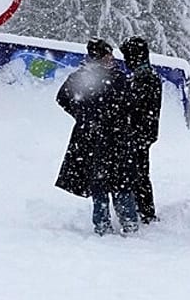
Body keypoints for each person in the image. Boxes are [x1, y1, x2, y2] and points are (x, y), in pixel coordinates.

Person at [55, 39, 139, 236]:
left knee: (101, 182)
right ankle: (125, 222)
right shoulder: (116, 78)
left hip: (94, 138)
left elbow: (63, 98)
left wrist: (82, 116)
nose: (111, 58)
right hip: (112, 138)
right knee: (118, 182)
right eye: (108, 55)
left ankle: (105, 224)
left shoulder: (80, 78)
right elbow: (130, 104)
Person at [119, 36, 162, 223]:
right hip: (143, 131)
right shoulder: (146, 75)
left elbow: (135, 105)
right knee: (139, 171)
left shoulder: (144, 77)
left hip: (139, 132)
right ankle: (143, 208)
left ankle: (145, 210)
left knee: (138, 172)